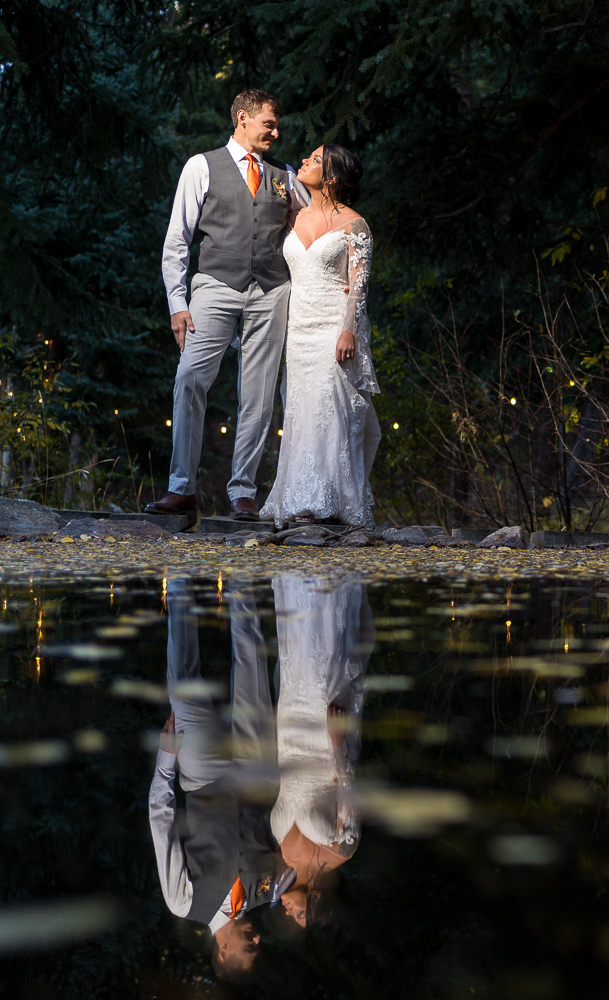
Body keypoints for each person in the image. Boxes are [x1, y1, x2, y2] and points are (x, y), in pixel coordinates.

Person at [149, 89, 308, 521]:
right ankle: (181, 488)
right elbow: (177, 241)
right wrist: (177, 303)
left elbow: (310, 229)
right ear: (242, 118)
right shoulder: (202, 166)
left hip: (271, 291)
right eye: (269, 124)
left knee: (257, 395)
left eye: (277, 125)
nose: (277, 131)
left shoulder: (285, 175)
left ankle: (243, 492)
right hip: (215, 286)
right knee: (189, 378)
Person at [149, 578, 293, 979]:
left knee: (183, 680)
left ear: (225, 953)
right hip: (255, 773)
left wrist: (165, 762)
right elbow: (300, 859)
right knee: (252, 661)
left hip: (202, 776)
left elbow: (162, 824)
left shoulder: (184, 904)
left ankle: (178, 577)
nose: (257, 941)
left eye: (250, 950)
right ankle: (242, 578)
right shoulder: (270, 891)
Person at [258, 144, 381, 529]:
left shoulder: (354, 225)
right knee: (300, 406)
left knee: (332, 407)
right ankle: (297, 495)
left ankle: (329, 500)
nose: (304, 162)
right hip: (298, 328)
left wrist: (348, 329)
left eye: (314, 159)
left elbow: (359, 286)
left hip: (333, 327)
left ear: (330, 176)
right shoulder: (291, 215)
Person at [268, 572, 373, 927]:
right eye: (298, 913)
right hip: (323, 741)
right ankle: (327, 578)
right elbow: (349, 790)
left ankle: (295, 575)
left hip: (289, 734)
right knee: (321, 659)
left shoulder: (283, 858)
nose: (288, 910)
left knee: (296, 657)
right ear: (315, 897)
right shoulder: (341, 849)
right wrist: (338, 743)